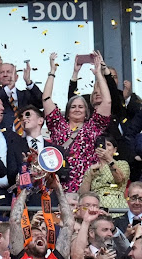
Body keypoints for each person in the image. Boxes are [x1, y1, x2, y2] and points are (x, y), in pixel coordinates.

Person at [42, 52, 111, 193]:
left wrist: (98, 74)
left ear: (87, 112)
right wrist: (52, 72)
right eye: (73, 107)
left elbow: (107, 101)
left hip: (87, 187)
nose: (77, 109)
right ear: (67, 112)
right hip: (59, 185)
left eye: (81, 107)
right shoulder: (57, 125)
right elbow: (46, 99)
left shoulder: (93, 126)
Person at [9, 177, 73, 259]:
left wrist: (58, 189)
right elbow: (15, 221)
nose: (40, 237)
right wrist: (24, 191)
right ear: (25, 243)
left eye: (42, 235)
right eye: (34, 235)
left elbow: (69, 224)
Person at [79, 135, 129, 211]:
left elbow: (119, 179)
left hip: (116, 206)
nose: (104, 147)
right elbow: (82, 195)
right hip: (95, 207)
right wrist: (89, 175)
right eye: (102, 145)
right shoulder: (92, 168)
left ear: (115, 150)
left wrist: (108, 159)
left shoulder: (122, 164)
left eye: (108, 145)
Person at [0, 61, 43, 134]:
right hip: (3, 138)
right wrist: (8, 88)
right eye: (2, 72)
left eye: (9, 72)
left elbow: (41, 103)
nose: (5, 75)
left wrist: (29, 82)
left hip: (26, 138)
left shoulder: (25, 95)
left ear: (16, 77)